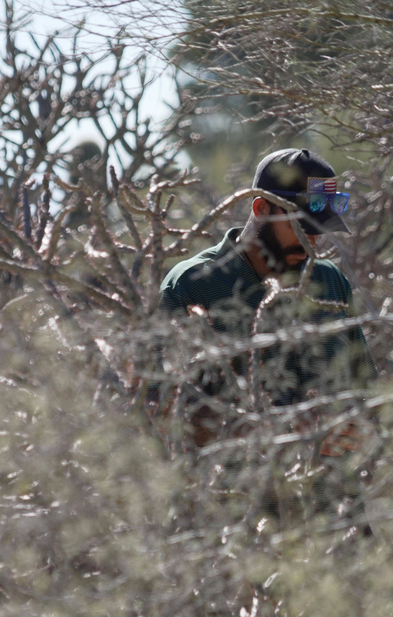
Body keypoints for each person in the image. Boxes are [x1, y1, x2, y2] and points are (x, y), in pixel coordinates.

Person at [155, 147, 378, 522]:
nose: (313, 242)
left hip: (335, 518)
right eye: (301, 226)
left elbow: (368, 393)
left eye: (319, 230)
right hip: (230, 523)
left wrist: (356, 424)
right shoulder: (192, 284)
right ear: (261, 209)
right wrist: (285, 430)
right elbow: (162, 417)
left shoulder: (330, 281)